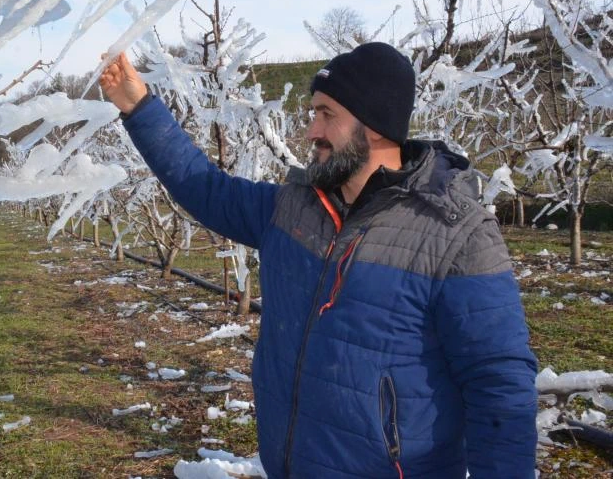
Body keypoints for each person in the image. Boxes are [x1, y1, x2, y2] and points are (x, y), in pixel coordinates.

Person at [99, 42, 538, 478]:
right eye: (314, 113)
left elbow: (498, 386)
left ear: (376, 126)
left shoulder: (456, 233)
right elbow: (204, 187)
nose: (311, 131)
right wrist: (139, 107)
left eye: (327, 114)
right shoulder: (295, 208)